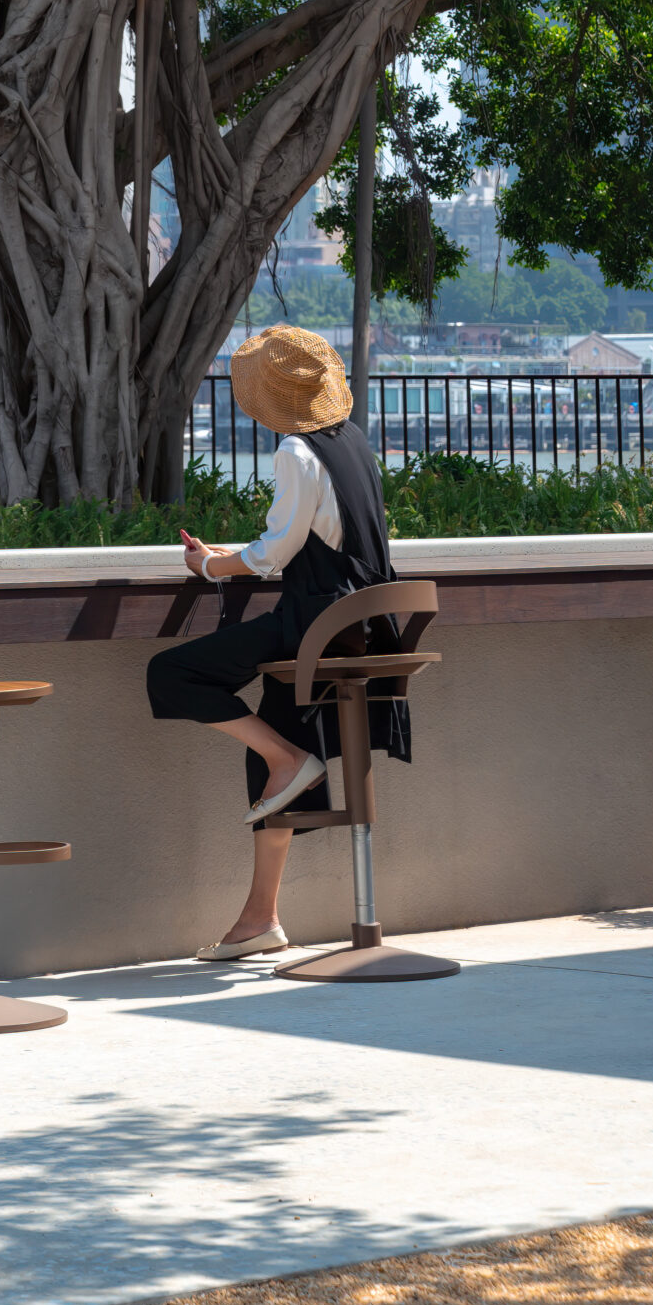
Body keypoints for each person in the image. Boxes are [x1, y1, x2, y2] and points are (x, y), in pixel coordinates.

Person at [145, 323, 410, 962]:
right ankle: (260, 918)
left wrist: (209, 565)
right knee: (269, 750)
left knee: (172, 674)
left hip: (319, 629)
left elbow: (275, 551)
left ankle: (290, 760)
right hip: (366, 632)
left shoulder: (295, 453)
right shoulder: (354, 445)